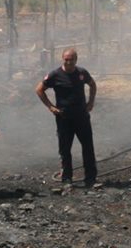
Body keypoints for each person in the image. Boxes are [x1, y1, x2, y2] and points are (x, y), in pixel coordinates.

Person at [36, 47, 98, 187]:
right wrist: (50, 106)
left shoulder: (81, 73)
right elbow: (39, 89)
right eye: (66, 60)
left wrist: (91, 101)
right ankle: (67, 178)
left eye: (72, 60)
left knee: (88, 146)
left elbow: (92, 85)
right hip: (64, 118)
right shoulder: (55, 75)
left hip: (81, 116)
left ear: (76, 60)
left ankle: (91, 177)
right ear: (62, 59)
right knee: (65, 148)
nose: (69, 62)